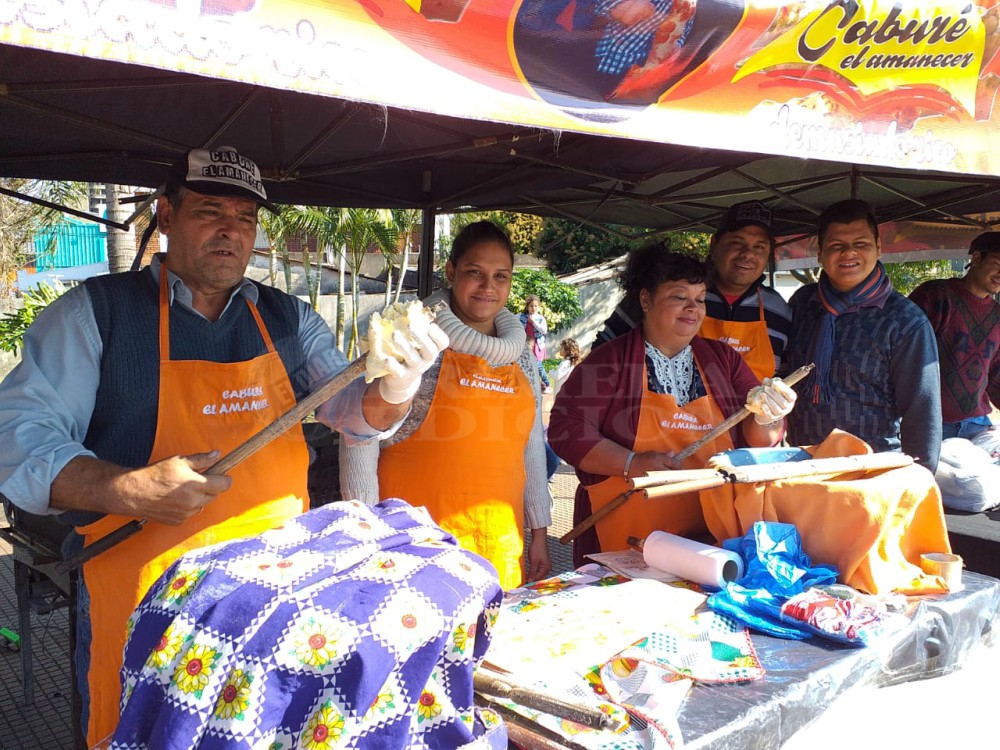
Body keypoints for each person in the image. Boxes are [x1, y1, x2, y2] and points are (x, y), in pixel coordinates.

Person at [0, 146, 448, 748]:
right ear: (165, 213)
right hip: (148, 598)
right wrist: (124, 489)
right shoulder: (94, 316)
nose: (231, 232)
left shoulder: (289, 320)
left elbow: (353, 414)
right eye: (211, 211)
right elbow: (17, 437)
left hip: (278, 598)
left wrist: (398, 384)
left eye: (245, 219)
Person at [549, 247, 796, 565]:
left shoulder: (724, 361)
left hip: (712, 535)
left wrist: (769, 416)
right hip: (628, 533)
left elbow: (760, 436)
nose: (693, 309)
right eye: (679, 297)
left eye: (700, 299)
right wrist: (631, 462)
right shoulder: (607, 362)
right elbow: (565, 430)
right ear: (646, 300)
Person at [339, 220, 552, 589]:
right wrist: (365, 531)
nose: (488, 287)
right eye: (475, 273)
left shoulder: (523, 358)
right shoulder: (409, 336)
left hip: (498, 542)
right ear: (451, 271)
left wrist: (540, 533)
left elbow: (531, 447)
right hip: (411, 547)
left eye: (501, 276)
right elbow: (359, 436)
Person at [784, 199, 941, 472]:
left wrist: (920, 477)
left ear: (879, 248)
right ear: (819, 252)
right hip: (801, 464)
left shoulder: (905, 320)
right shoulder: (803, 304)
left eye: (861, 244)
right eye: (836, 246)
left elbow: (922, 409)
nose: (849, 253)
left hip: (871, 469)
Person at [594, 200, 793, 380]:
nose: (748, 254)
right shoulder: (665, 292)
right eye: (737, 243)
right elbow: (599, 360)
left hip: (751, 420)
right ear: (714, 244)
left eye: (759, 247)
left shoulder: (778, 310)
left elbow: (781, 379)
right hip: (667, 418)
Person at [910, 231, 1000, 440]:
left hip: (978, 424)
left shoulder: (997, 315)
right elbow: (902, 354)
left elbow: (996, 372)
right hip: (931, 423)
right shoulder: (935, 296)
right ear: (976, 258)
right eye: (997, 263)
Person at [520, 294, 553, 393]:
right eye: (531, 306)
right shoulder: (521, 317)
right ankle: (531, 385)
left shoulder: (540, 318)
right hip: (526, 345)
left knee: (538, 365)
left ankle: (547, 384)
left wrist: (533, 322)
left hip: (537, 345)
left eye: (535, 306)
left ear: (538, 307)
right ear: (527, 307)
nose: (533, 308)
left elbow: (544, 330)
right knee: (526, 365)